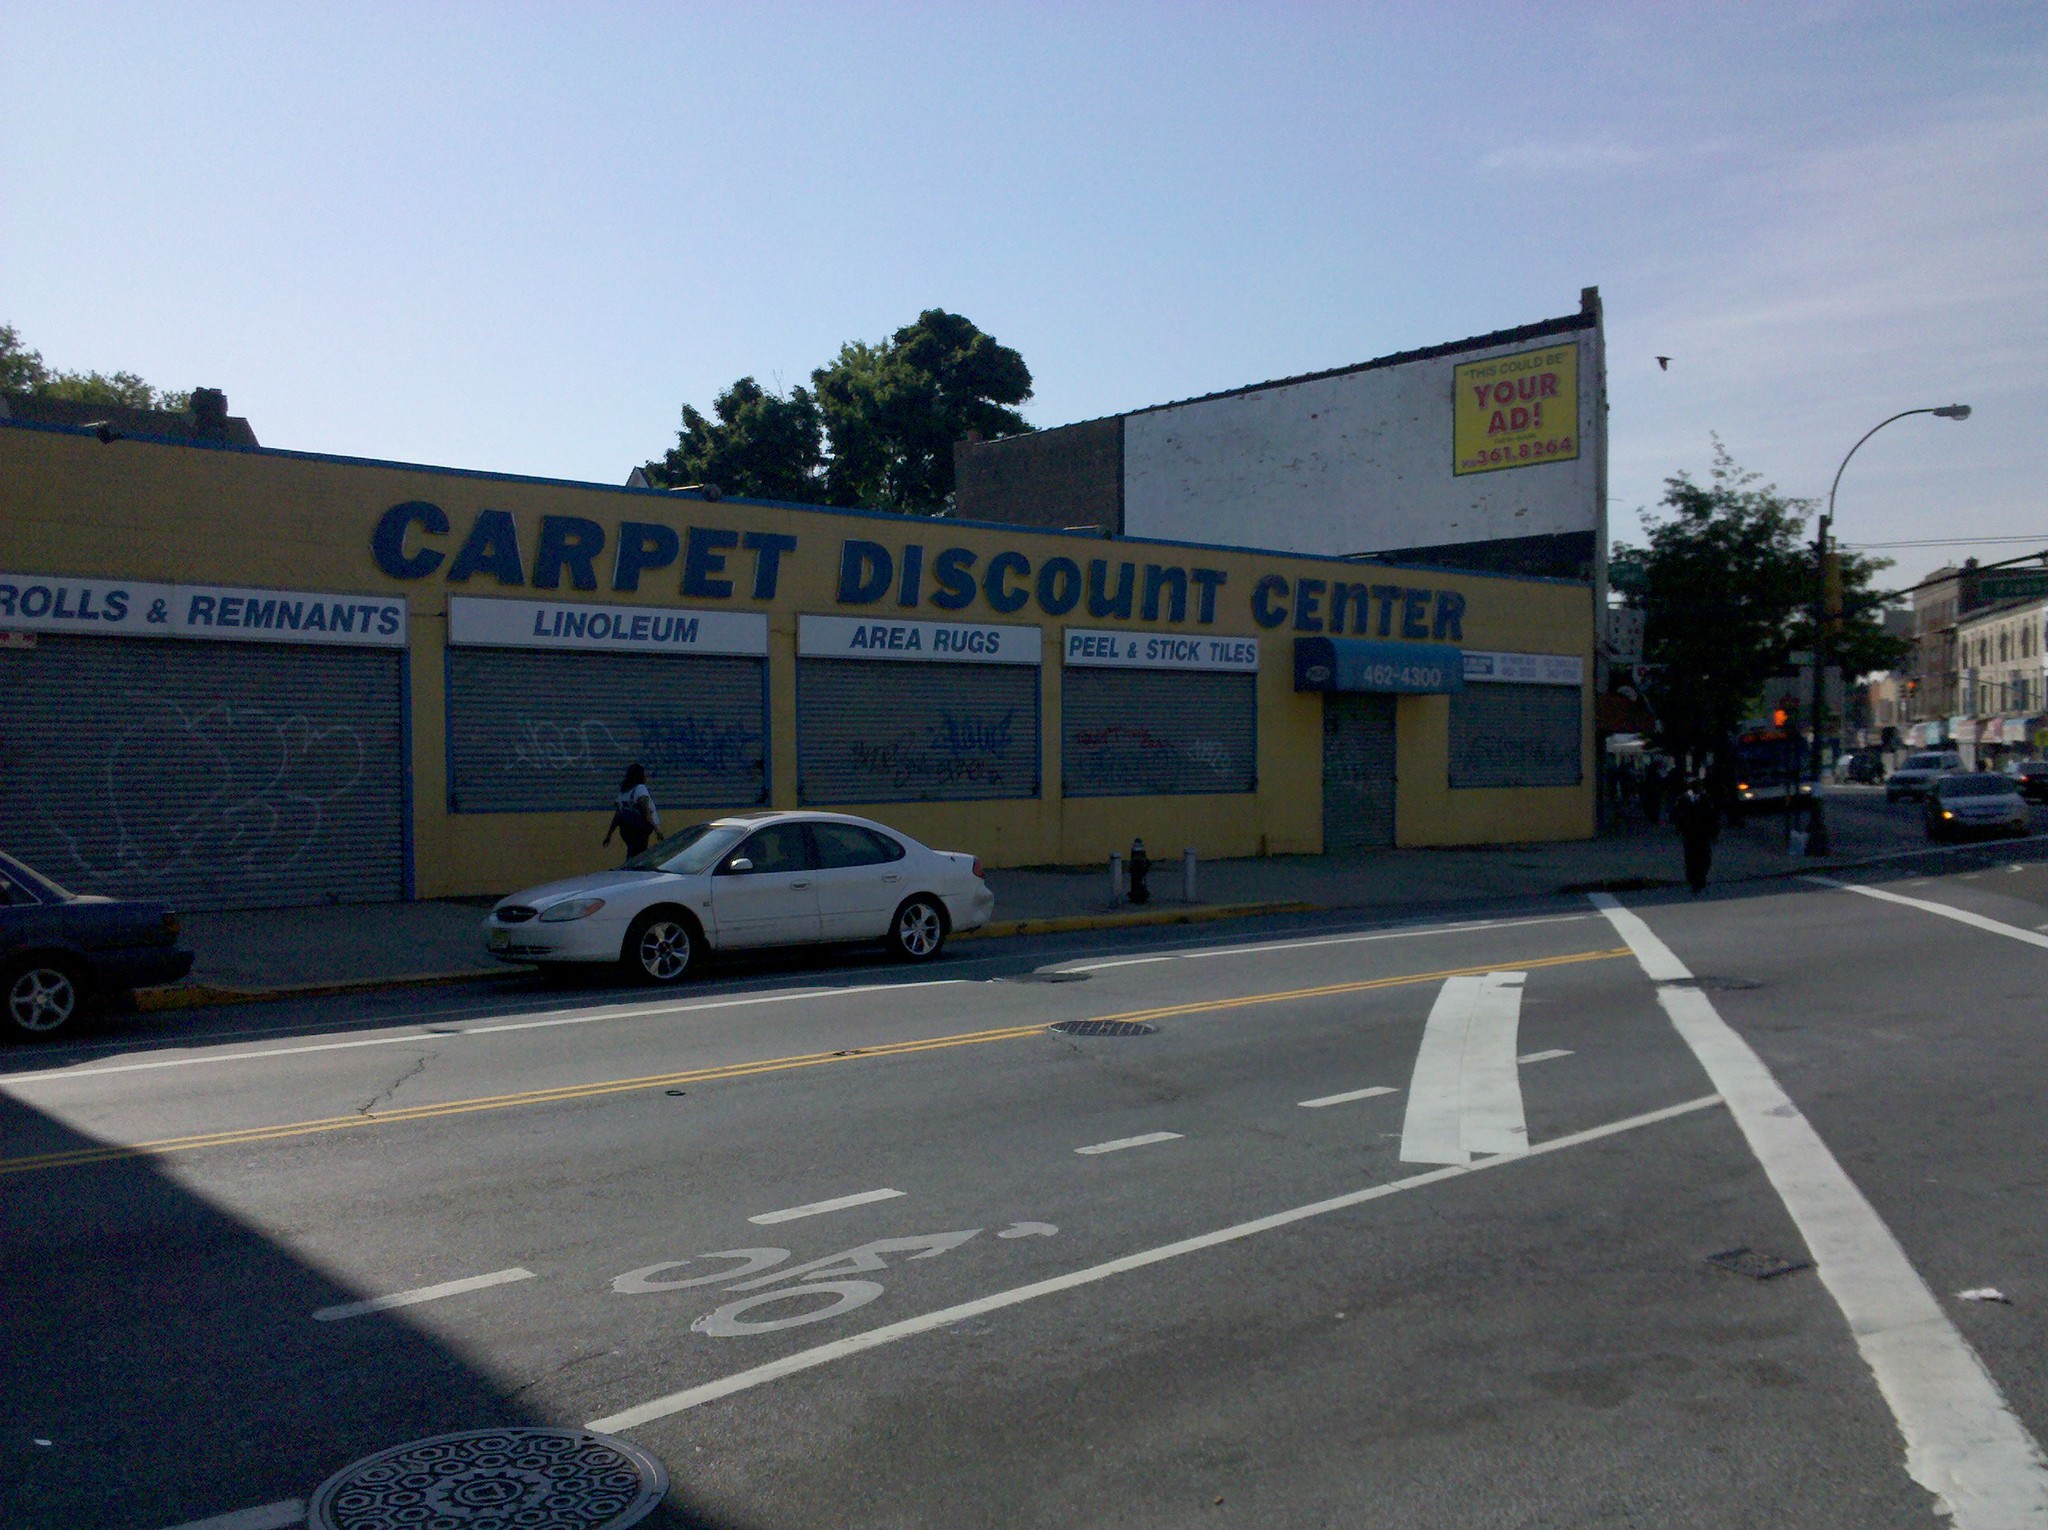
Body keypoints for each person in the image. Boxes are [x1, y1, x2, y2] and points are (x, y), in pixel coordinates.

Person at [1671, 777, 1719, 896]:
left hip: (1703, 832)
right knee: (1691, 856)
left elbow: (1713, 816)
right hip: (1690, 833)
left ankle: (1701, 876)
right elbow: (1677, 815)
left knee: (1705, 856)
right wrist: (1680, 828)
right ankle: (1693, 877)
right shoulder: (1682, 799)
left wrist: (1714, 832)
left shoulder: (1706, 798)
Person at [603, 763, 660, 859]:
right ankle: (633, 873)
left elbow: (617, 815)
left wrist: (609, 835)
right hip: (639, 830)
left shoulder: (624, 791)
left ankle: (628, 870)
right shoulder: (640, 788)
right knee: (640, 856)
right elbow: (646, 812)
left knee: (632, 854)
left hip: (626, 830)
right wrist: (657, 831)